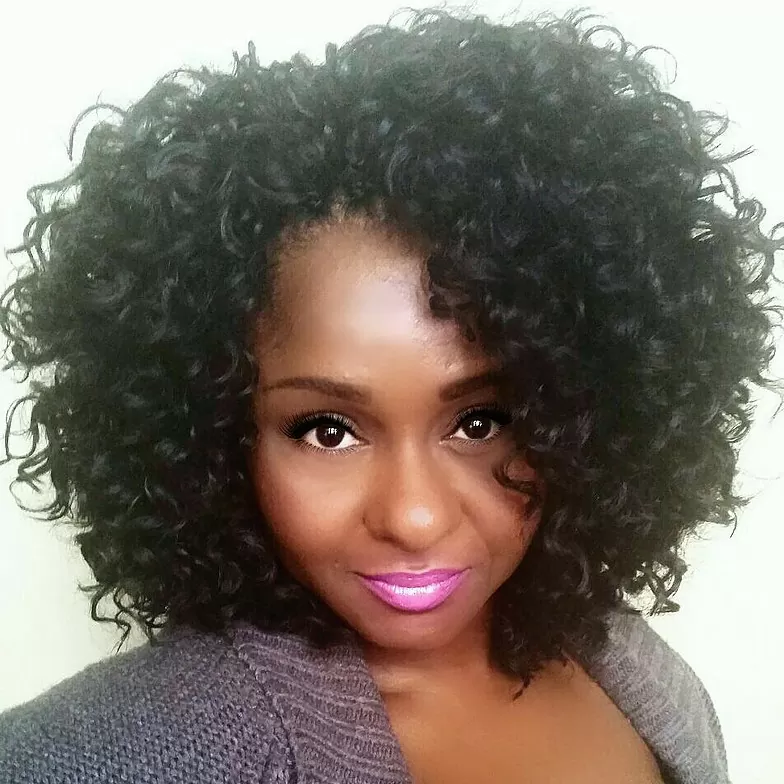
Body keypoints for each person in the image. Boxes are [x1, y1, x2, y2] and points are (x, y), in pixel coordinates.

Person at [0, 6, 779, 783]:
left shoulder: (628, 663)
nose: (414, 517)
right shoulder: (138, 747)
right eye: (327, 430)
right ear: (216, 439)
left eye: (482, 421)